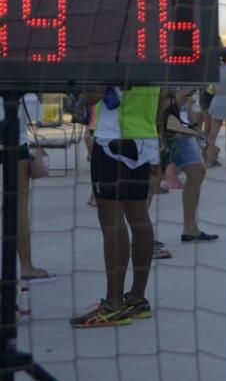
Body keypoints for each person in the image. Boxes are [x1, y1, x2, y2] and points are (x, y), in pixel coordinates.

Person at [70, 86, 163, 328]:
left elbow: (92, 94)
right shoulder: (155, 50)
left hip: (114, 139)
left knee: (111, 221)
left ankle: (113, 304)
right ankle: (137, 298)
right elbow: (164, 96)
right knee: (139, 215)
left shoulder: (116, 50)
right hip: (145, 138)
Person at [0, 95, 54, 282]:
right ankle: (26, 266)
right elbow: (36, 114)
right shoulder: (22, 79)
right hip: (15, 145)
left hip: (15, 145)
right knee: (19, 208)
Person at [162, 88, 218, 243]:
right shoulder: (161, 71)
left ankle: (190, 229)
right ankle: (141, 237)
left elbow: (186, 105)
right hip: (161, 127)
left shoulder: (187, 72)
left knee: (197, 172)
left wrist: (194, 127)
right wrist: (180, 97)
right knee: (151, 183)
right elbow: (161, 104)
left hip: (182, 129)